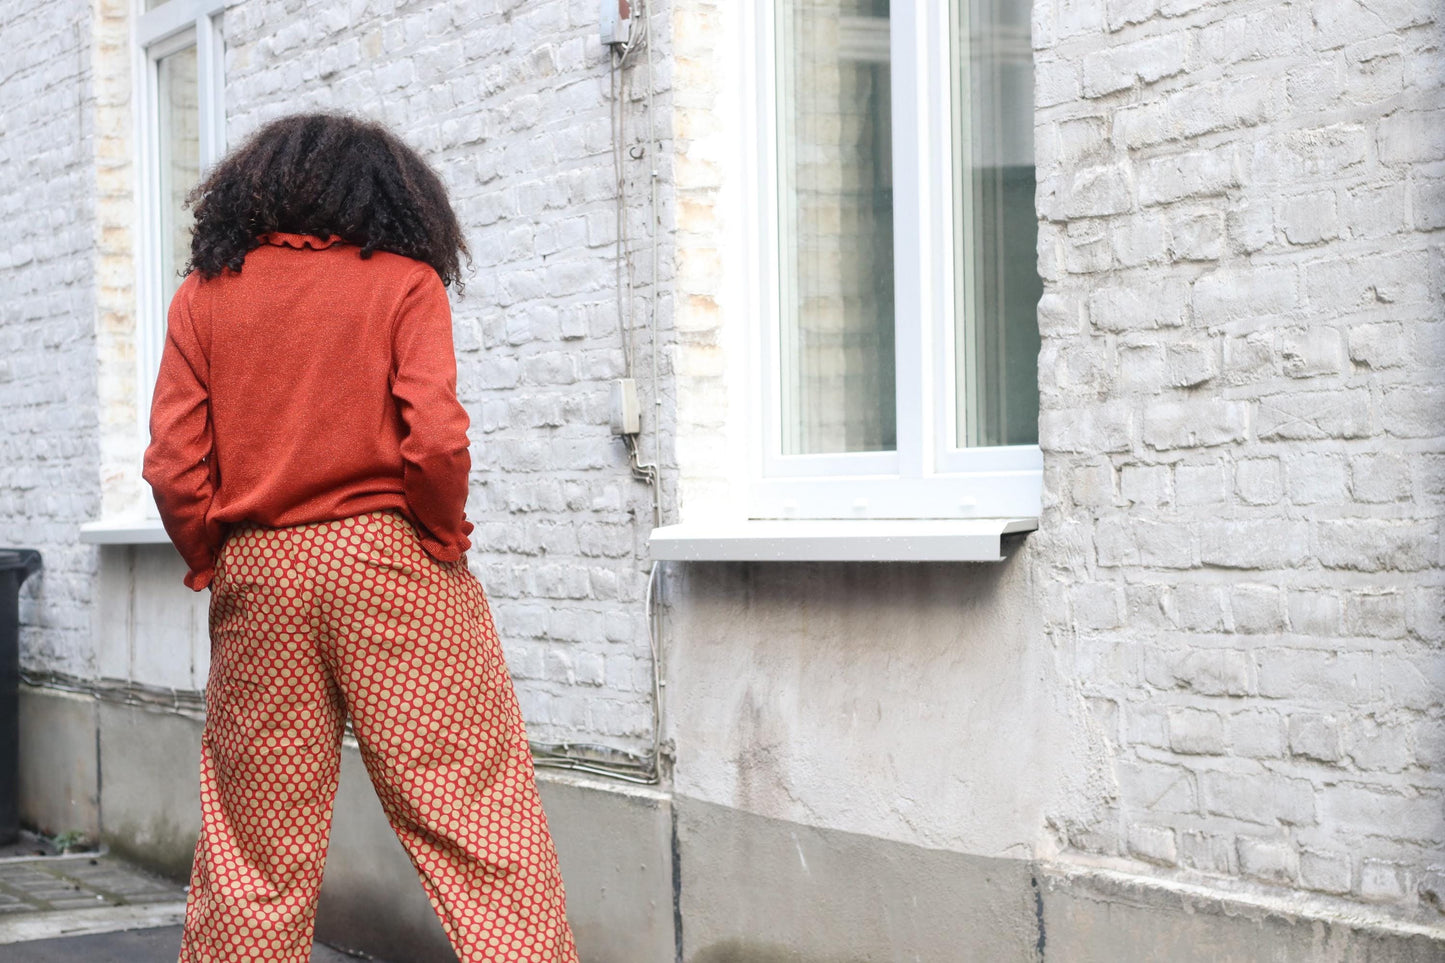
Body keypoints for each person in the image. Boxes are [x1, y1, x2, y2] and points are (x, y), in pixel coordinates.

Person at [142, 111, 579, 963]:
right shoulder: (404, 283)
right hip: (388, 561)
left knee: (254, 846)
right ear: (388, 198)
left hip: (260, 570)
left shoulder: (203, 296)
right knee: (472, 818)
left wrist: (215, 557)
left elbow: (171, 466)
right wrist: (441, 534)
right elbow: (438, 440)